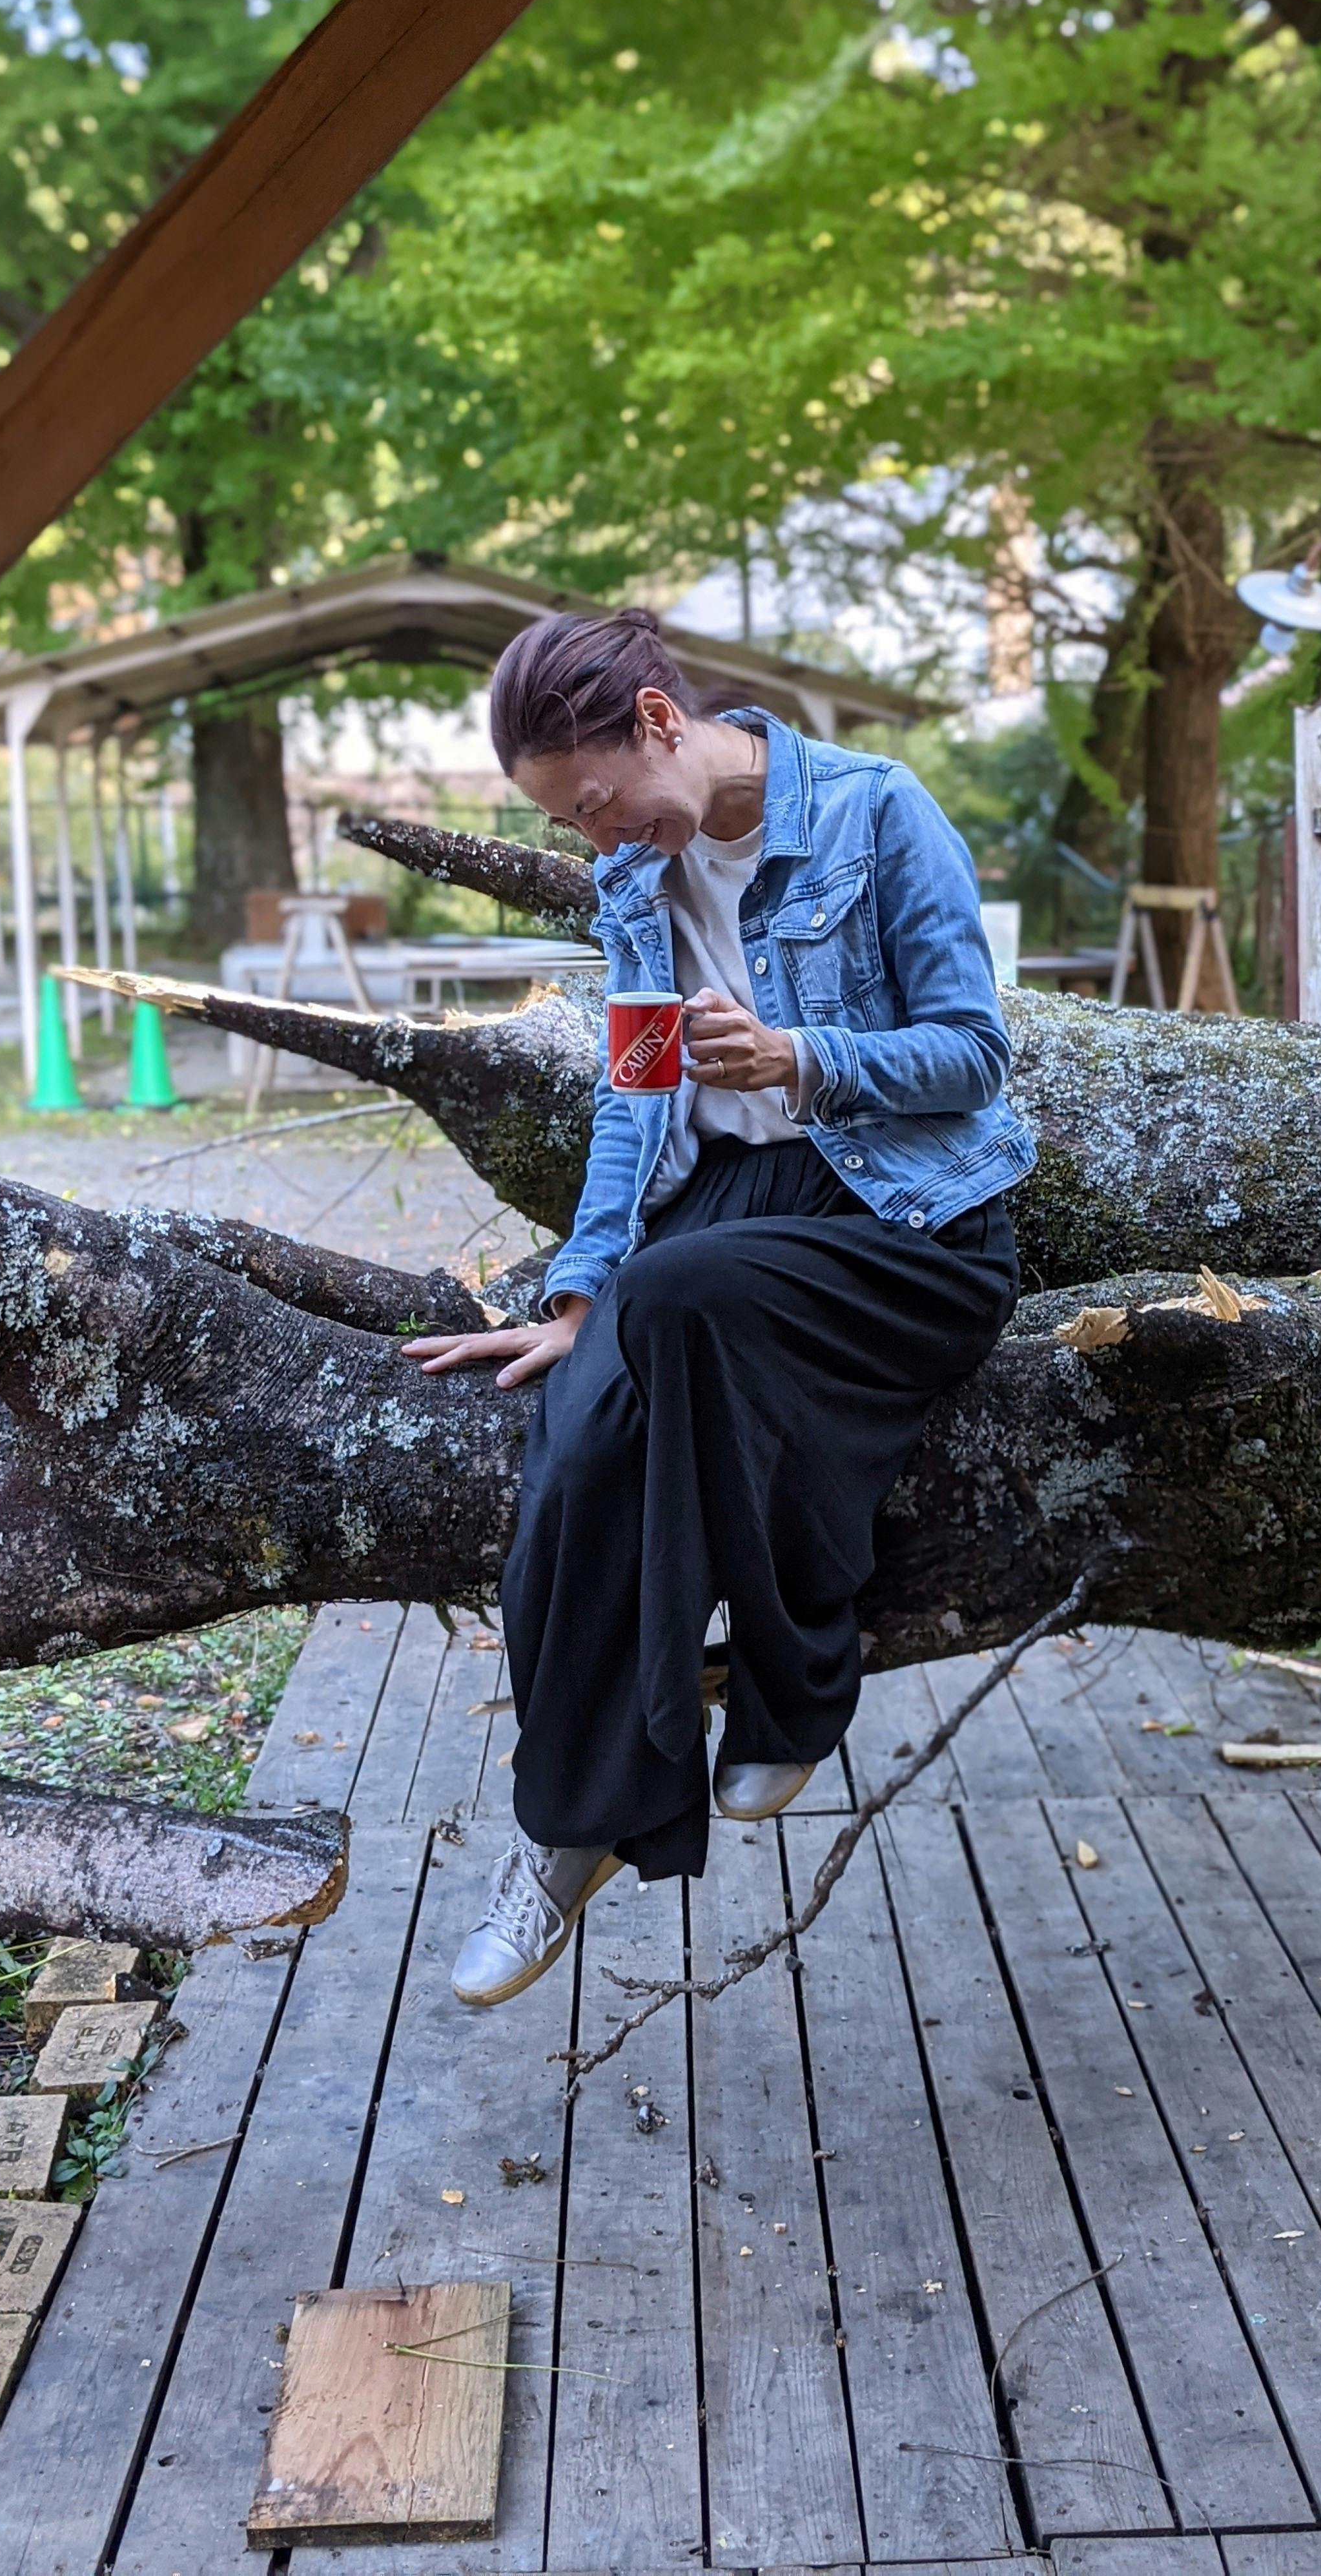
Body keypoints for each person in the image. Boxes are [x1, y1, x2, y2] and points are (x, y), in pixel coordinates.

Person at [402, 608, 1034, 2006]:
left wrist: (804, 1056)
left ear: (658, 722)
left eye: (597, 801)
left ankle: (791, 1687)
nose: (598, 838)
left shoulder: (876, 810)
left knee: (678, 1297)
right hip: (719, 1233)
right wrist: (579, 1294)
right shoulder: (637, 880)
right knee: (578, 1442)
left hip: (906, 1220)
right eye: (570, 824)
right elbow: (633, 1099)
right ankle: (567, 1835)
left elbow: (976, 1053)